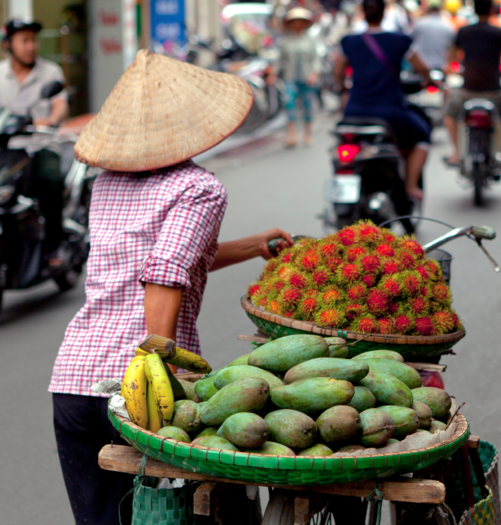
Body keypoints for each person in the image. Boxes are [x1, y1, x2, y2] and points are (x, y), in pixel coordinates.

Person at [49, 50, 294, 524]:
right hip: (138, 388)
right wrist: (155, 361)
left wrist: (251, 246)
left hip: (75, 382)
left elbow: (162, 261)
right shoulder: (198, 188)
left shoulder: (106, 185)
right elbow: (163, 271)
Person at [335, 0, 433, 209]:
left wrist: (342, 88)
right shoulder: (399, 41)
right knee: (422, 135)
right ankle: (410, 186)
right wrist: (429, 81)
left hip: (353, 113)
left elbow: (337, 72)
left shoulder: (349, 42)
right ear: (384, 13)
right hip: (390, 114)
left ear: (362, 12)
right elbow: (422, 68)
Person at [0, 18, 69, 265]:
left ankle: (54, 246)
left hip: (41, 146)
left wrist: (50, 119)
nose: (31, 46)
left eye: (33, 40)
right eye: (24, 40)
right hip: (9, 150)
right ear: (9, 44)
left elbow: (60, 106)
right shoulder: (0, 75)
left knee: (49, 181)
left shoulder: (50, 72)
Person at [443, 0, 501, 168]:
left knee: (449, 115)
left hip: (467, 90)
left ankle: (456, 153)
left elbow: (451, 60)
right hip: (494, 91)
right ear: (492, 10)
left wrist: (452, 70)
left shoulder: (463, 31)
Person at [276, 8, 320, 147]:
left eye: (300, 22)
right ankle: (292, 135)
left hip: (307, 78)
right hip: (290, 77)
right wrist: (273, 73)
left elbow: (316, 59)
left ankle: (307, 134)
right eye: (295, 22)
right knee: (289, 104)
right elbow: (279, 59)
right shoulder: (286, 41)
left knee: (308, 105)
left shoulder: (310, 40)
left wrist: (314, 73)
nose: (297, 25)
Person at [411, 0, 455, 70]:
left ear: (427, 8)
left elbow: (410, 45)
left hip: (421, 68)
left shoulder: (418, 24)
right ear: (441, 9)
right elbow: (452, 49)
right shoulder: (449, 26)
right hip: (441, 67)